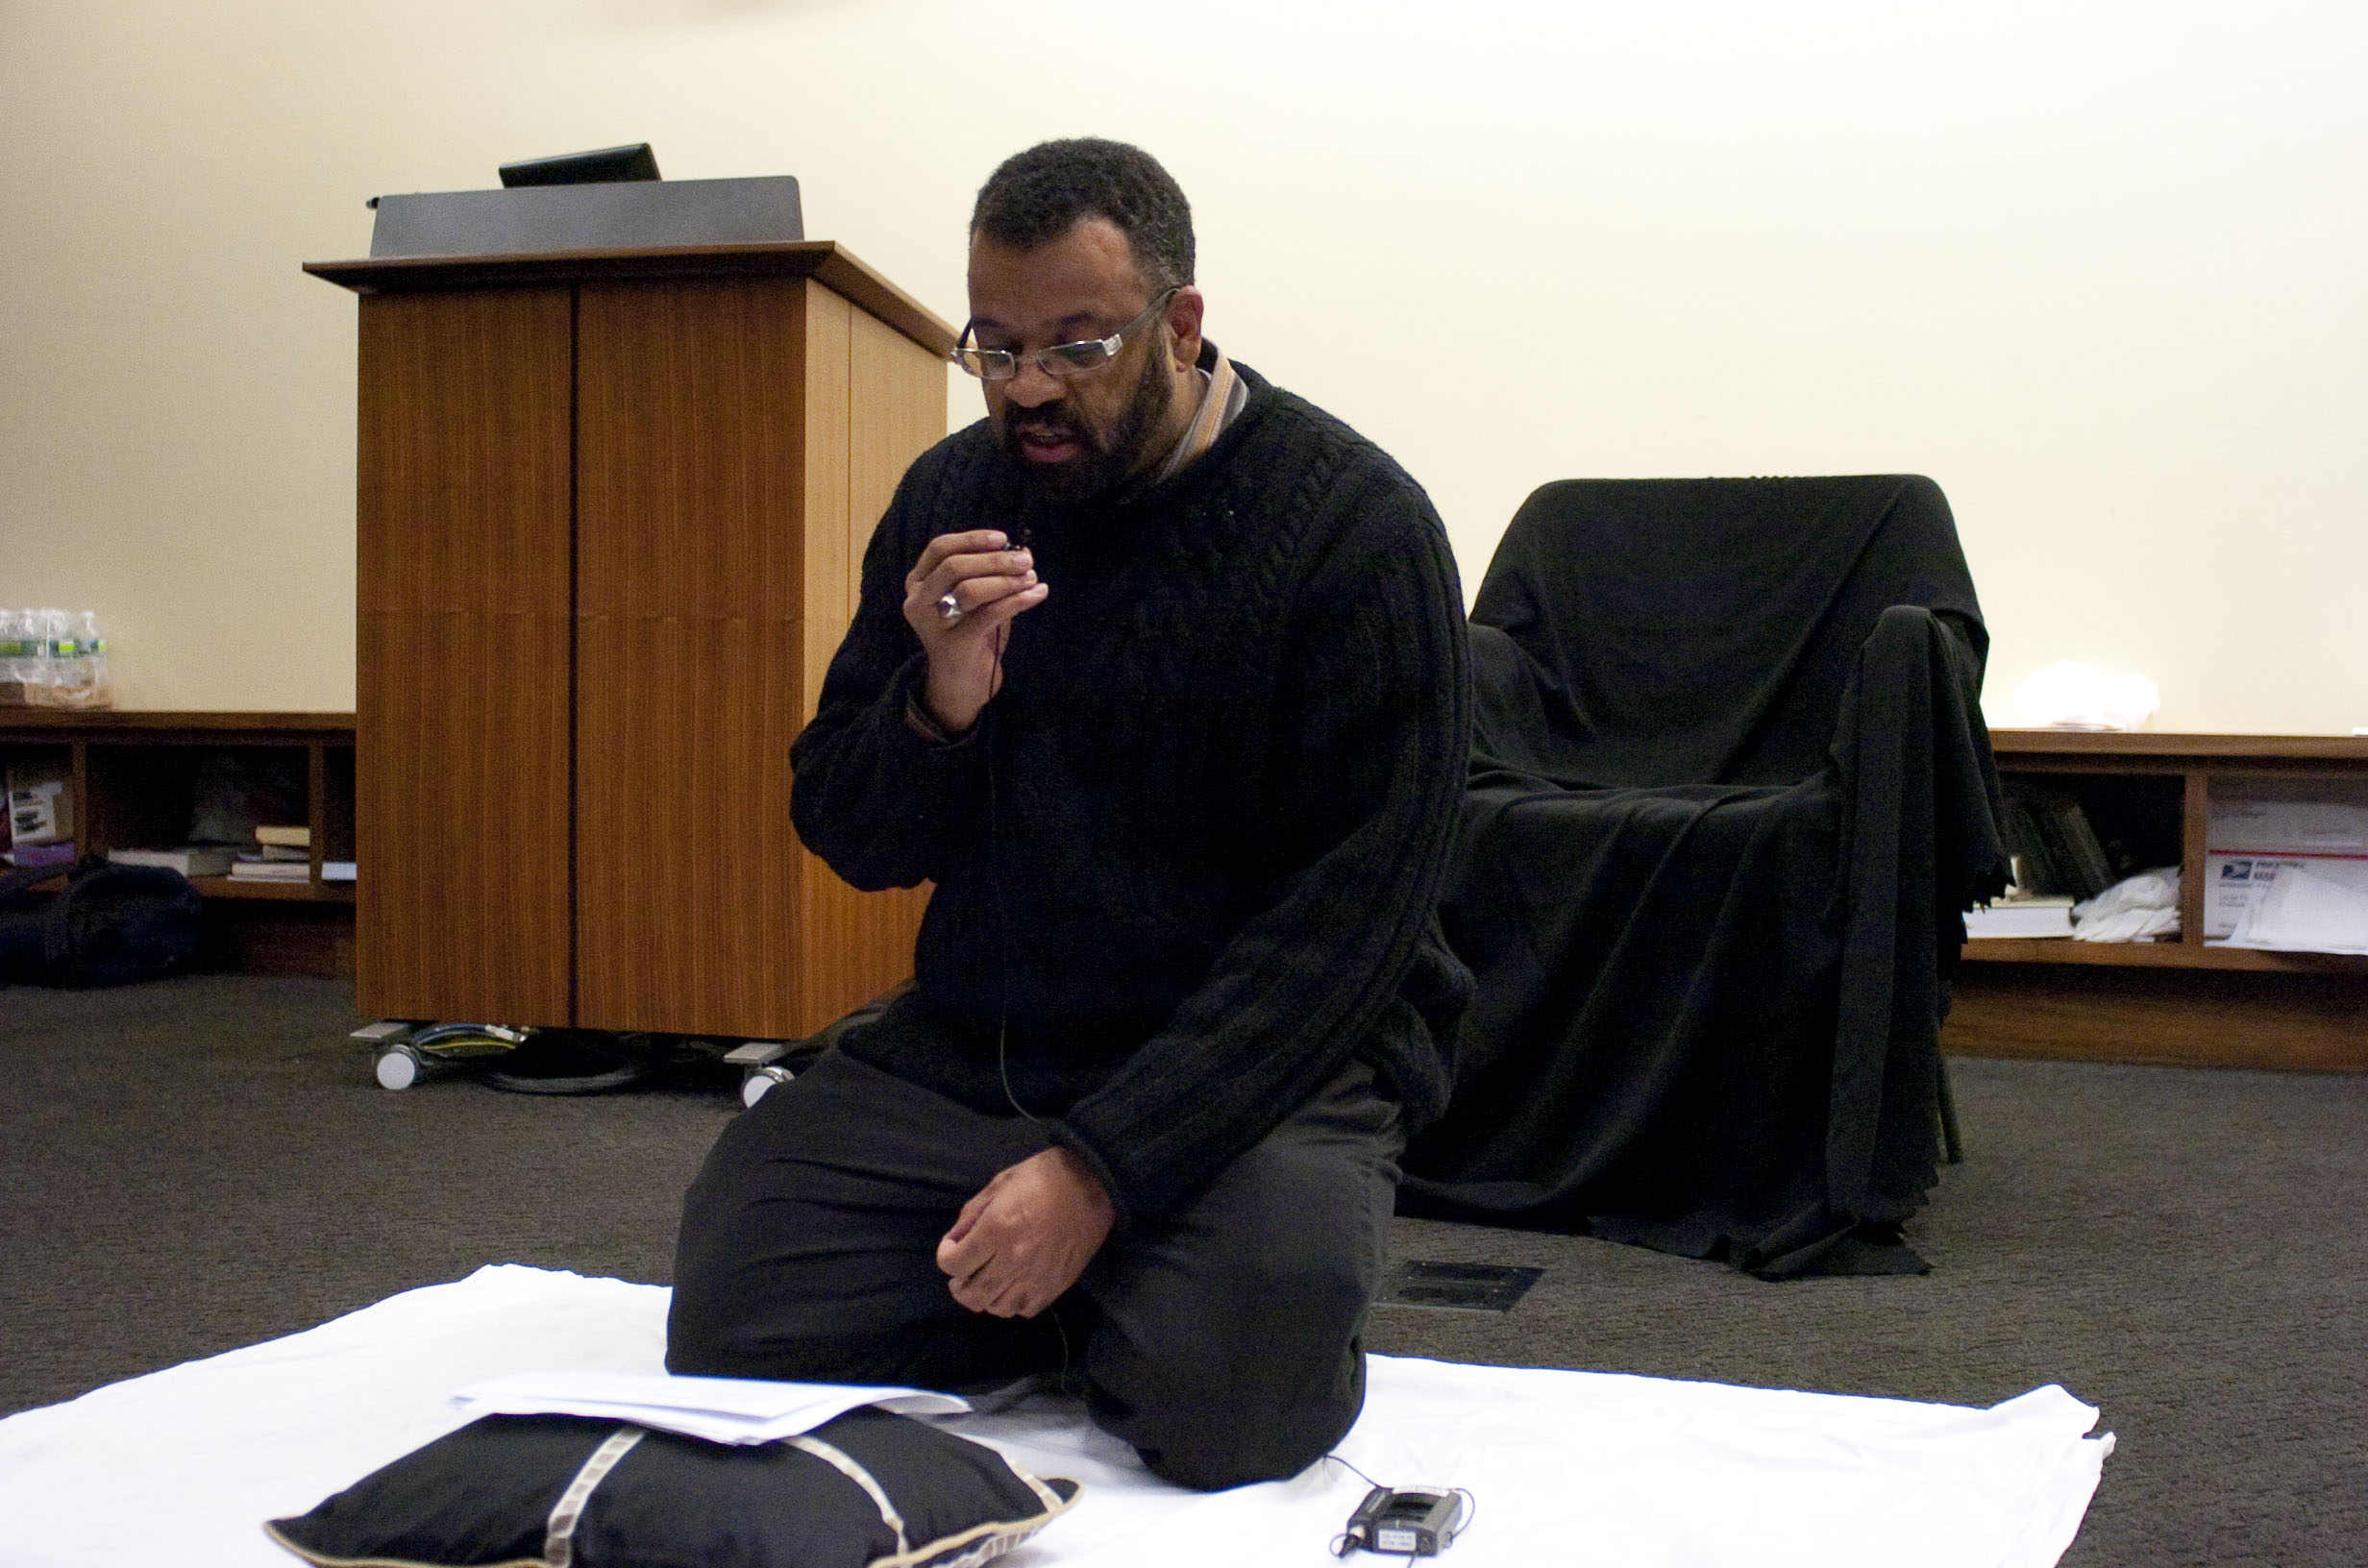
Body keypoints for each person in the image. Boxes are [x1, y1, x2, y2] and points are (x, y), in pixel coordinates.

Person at [667, 137, 1471, 1490]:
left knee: (1231, 1407)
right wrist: (940, 703)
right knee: (737, 1320)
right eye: (993, 348)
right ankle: (1093, 1292)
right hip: (990, 1047)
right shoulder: (954, 498)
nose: (1028, 388)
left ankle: (1123, 1267)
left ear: (1182, 325)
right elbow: (850, 833)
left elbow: (1352, 930)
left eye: (1077, 348)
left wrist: (1100, 1173)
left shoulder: (1356, 530)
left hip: (1266, 1062)